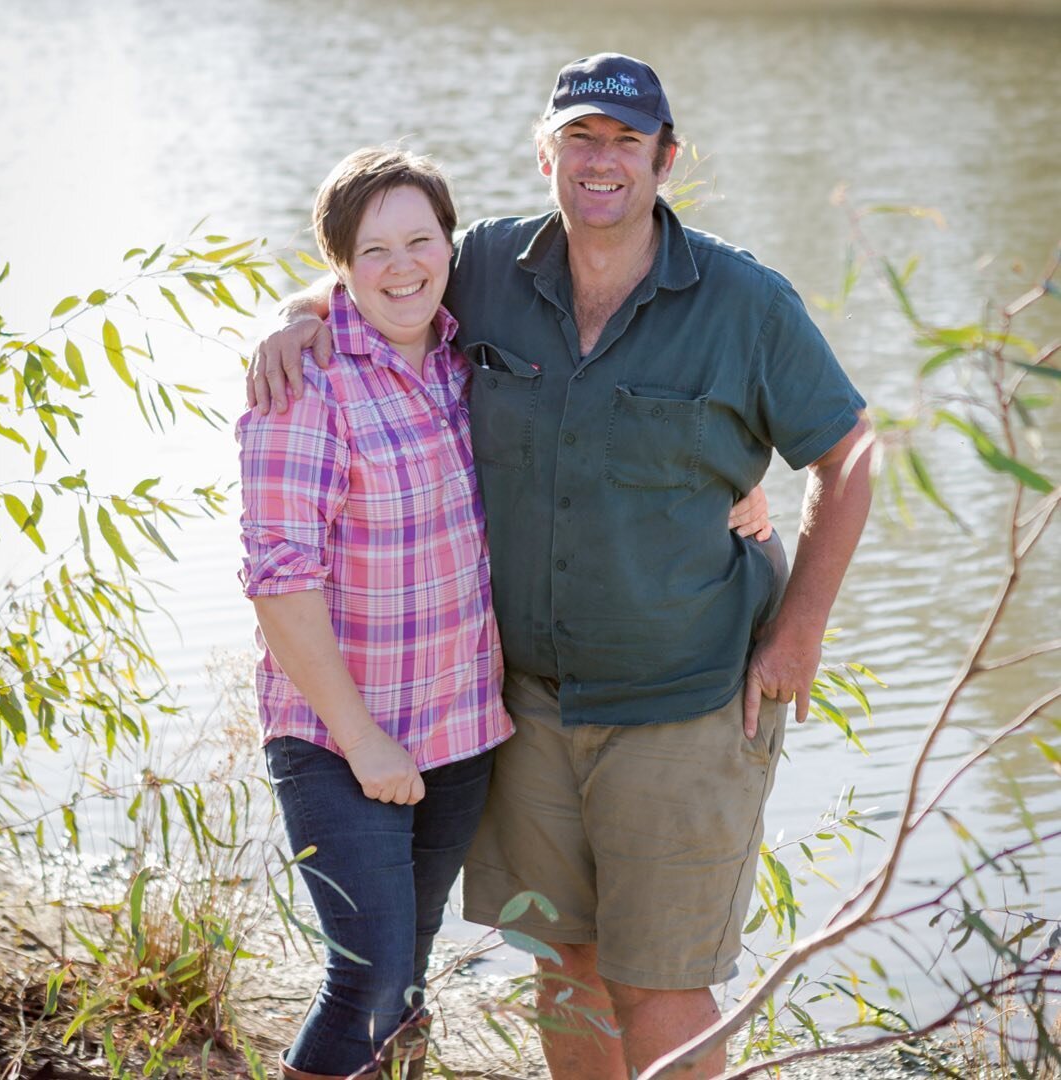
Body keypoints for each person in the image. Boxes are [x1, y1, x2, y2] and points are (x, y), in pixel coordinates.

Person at [247, 53, 871, 1080]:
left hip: (684, 703)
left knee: (662, 978)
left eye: (628, 140)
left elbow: (850, 456)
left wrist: (799, 631)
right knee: (566, 961)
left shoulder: (744, 301)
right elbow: (383, 270)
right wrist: (291, 314)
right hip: (524, 713)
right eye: (581, 136)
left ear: (667, 158)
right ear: (545, 153)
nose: (602, 160)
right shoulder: (489, 265)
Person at [237, 147, 515, 1080]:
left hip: (458, 727)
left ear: (450, 245)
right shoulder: (302, 386)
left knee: (409, 976)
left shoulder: (461, 351)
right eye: (374, 251)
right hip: (338, 737)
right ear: (341, 266)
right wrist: (364, 744)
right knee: (369, 976)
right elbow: (280, 582)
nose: (402, 268)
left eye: (420, 241)